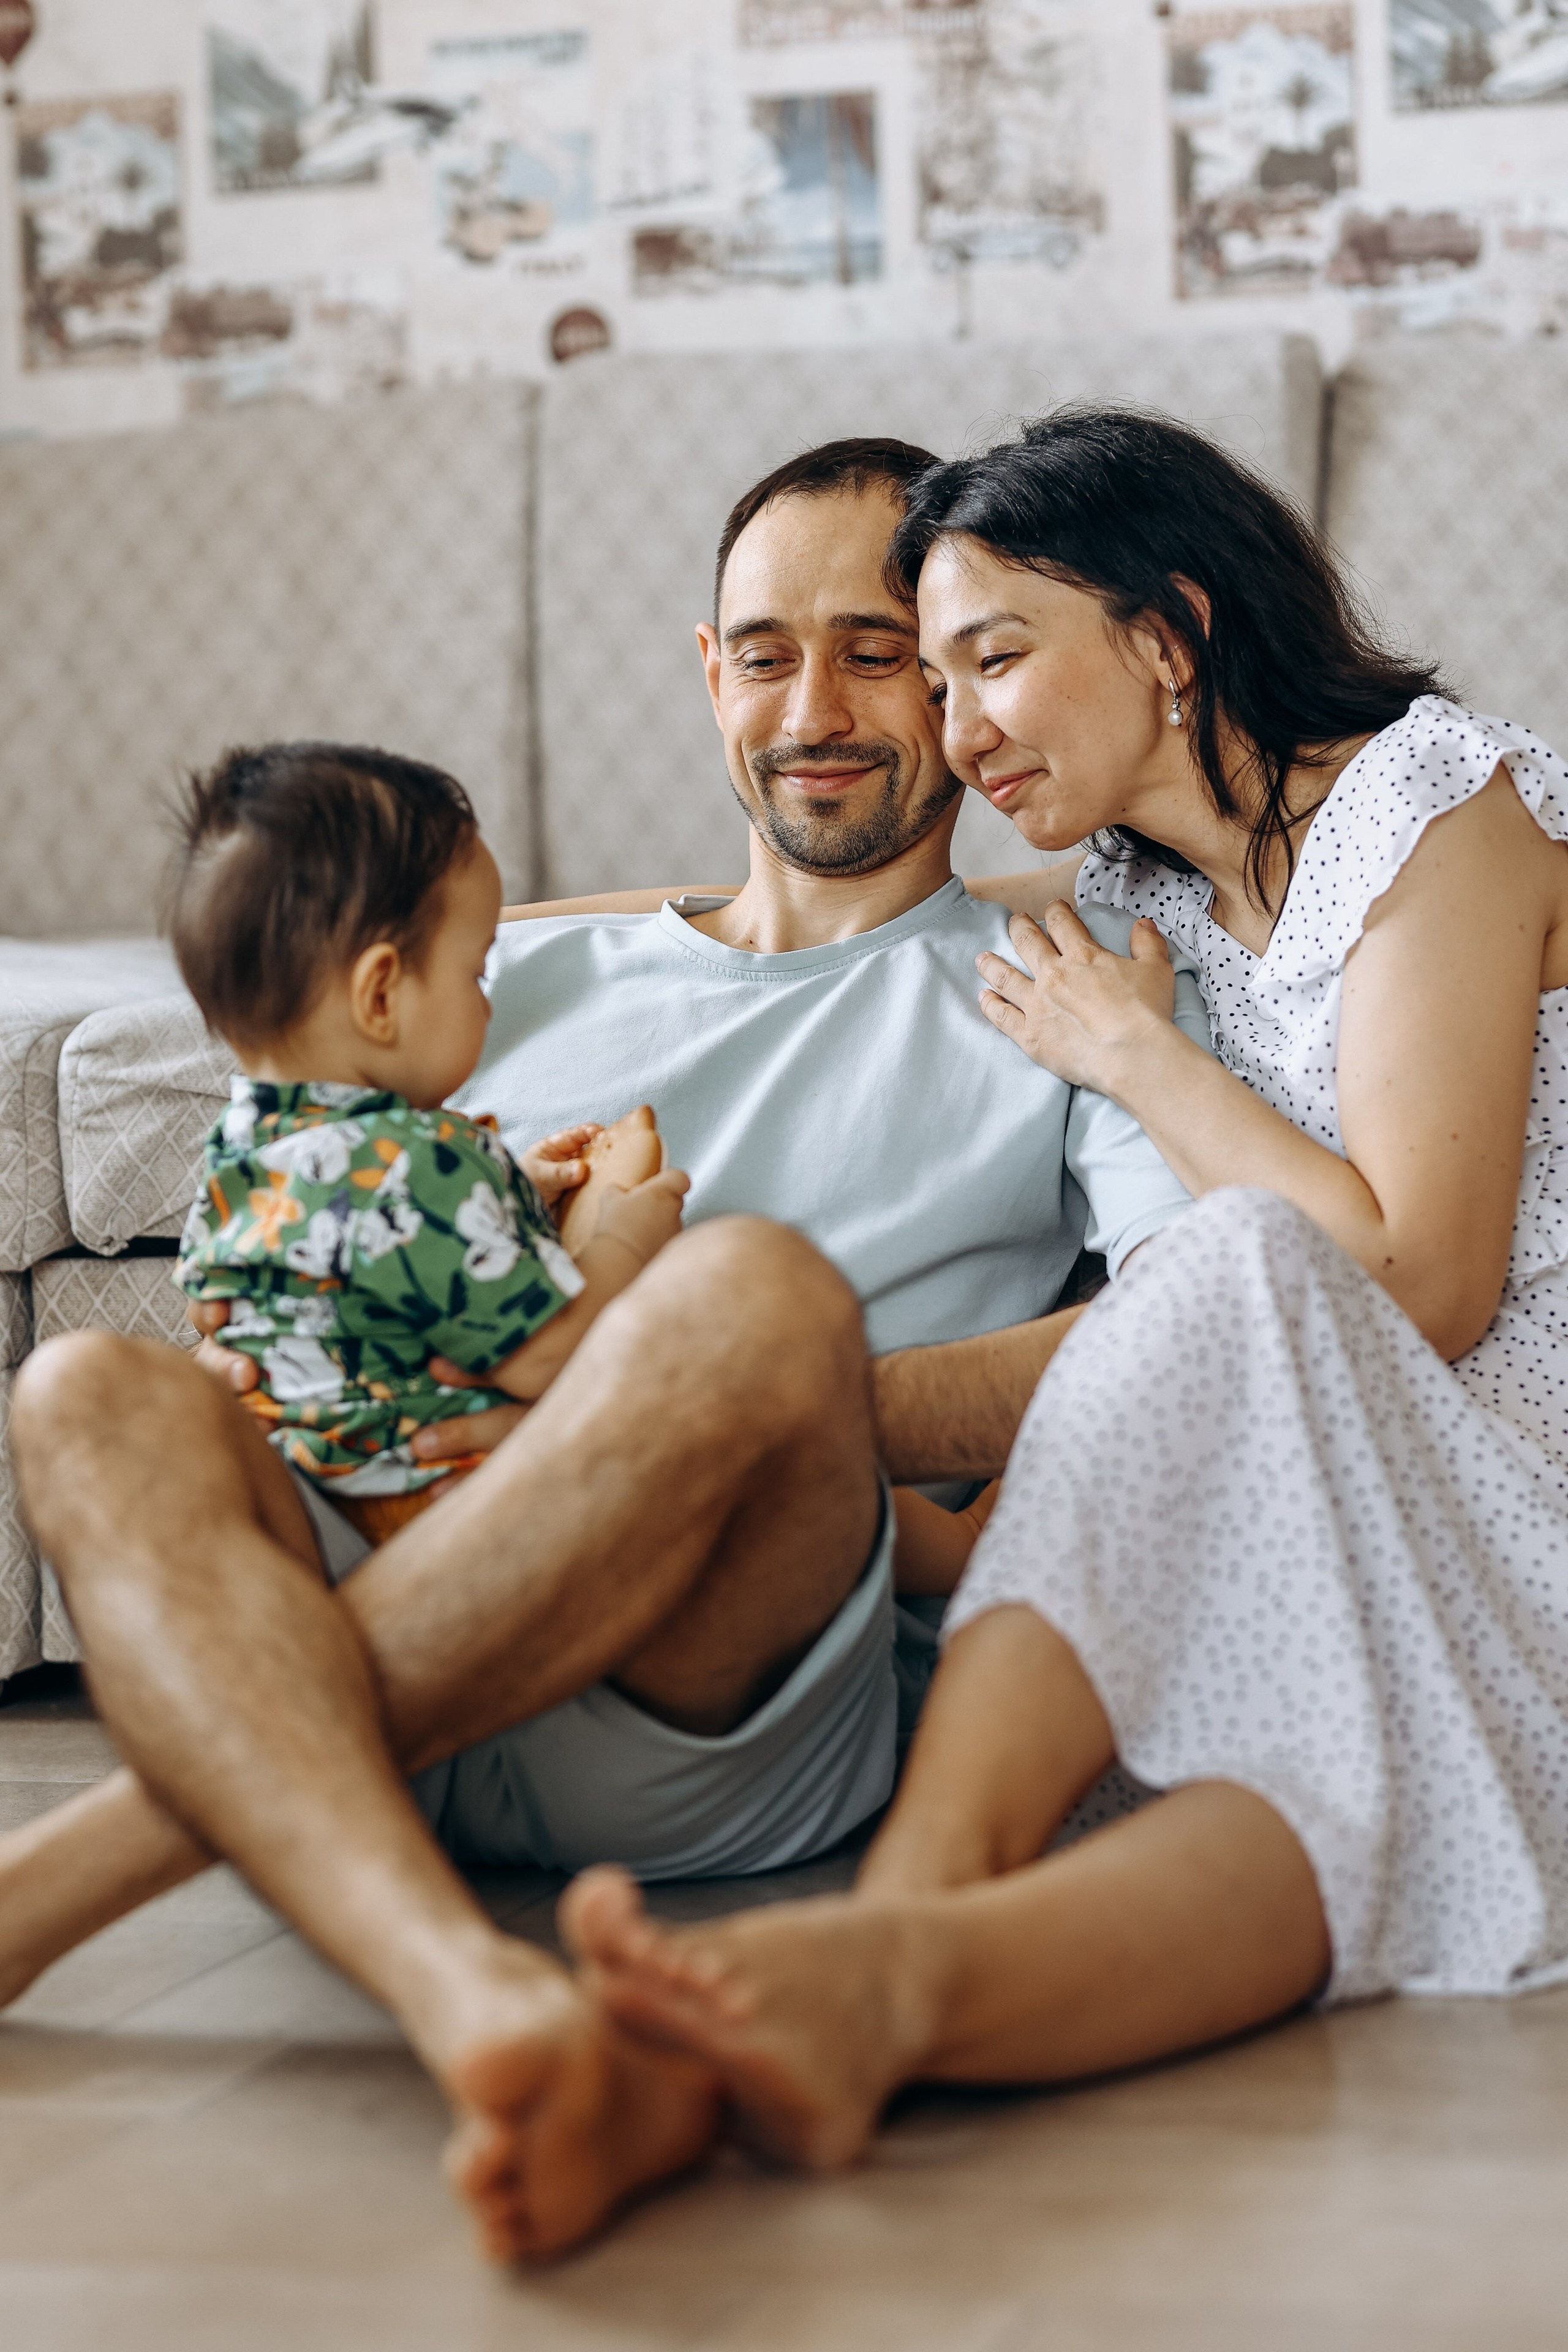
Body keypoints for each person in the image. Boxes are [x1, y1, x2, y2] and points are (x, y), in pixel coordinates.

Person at [2, 434, 1197, 2260]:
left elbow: (1189, 1331)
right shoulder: (509, 971)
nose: (816, 705)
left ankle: (82, 1866)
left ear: (959, 691)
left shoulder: (1056, 979)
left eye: (879, 650)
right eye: (765, 649)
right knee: (88, 1390)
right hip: (384, 1568)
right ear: (706, 673)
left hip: (712, 1685)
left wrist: (708, 1391)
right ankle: (470, 1992)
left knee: (750, 1292)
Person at [560, 402, 1568, 2184]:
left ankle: (898, 1902)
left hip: (1514, 1462)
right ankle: (883, 1976)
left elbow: (1424, 1277)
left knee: (1229, 1263)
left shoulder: (1437, 805)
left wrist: (1134, 1055)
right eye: (935, 684)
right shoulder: (1140, 881)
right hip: (1318, 1470)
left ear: (1167, 639)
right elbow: (843, 897)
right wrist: (553, 927)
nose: (953, 733)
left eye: (984, 663)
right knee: (1286, 1775)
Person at [167, 740, 686, 1545]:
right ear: (381, 995)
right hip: (421, 1505)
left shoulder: (236, 1160)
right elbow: (546, 1360)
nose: (487, 1003)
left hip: (288, 1507)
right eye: (476, 973)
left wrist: (510, 1190)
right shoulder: (430, 1164)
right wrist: (623, 1235)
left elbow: (364, 1258)